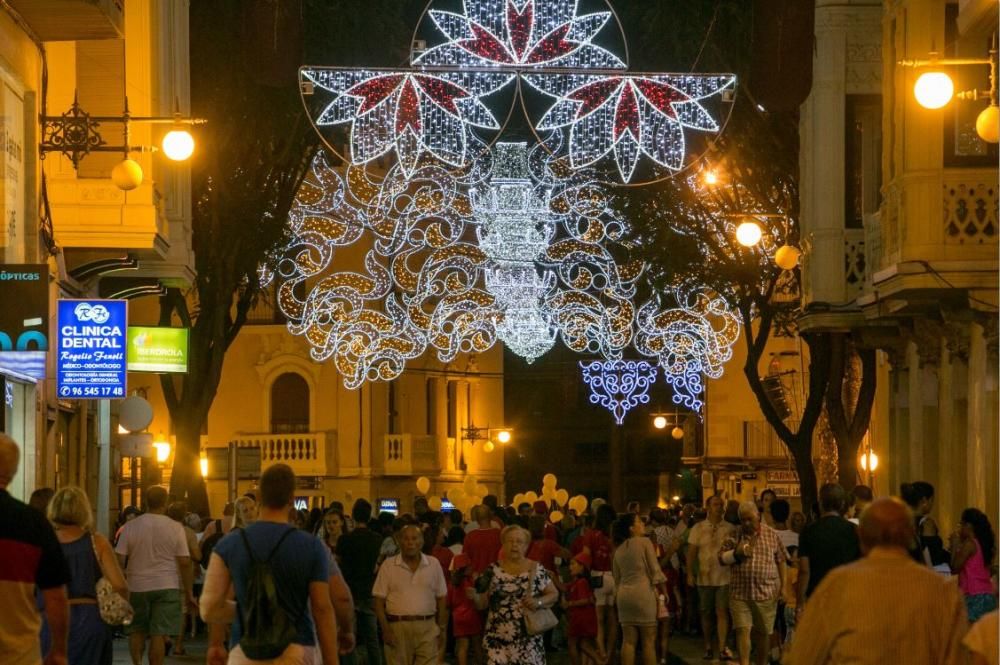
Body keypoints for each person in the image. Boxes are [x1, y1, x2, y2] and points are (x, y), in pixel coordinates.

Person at [787, 498, 968, 665]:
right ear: (910, 535)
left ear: (861, 534)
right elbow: (958, 658)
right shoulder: (942, 591)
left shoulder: (837, 585)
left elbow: (804, 656)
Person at [200, 463, 338, 665]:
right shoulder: (311, 546)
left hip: (245, 650)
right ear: (291, 498)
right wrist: (332, 660)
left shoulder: (229, 544)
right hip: (297, 650)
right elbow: (322, 608)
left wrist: (217, 641)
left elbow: (209, 607)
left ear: (259, 497)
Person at [0, 435, 70, 665]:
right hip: (18, 655)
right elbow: (56, 597)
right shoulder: (33, 523)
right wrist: (59, 650)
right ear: (13, 472)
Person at [48, 486, 128, 665]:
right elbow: (120, 585)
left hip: (51, 618)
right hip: (90, 619)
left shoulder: (43, 542)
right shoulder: (97, 542)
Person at [115, 485, 194, 665]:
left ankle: (136, 662)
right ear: (165, 503)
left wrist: (122, 583)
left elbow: (119, 558)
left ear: (145, 502)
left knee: (136, 630)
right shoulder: (175, 528)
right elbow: (184, 562)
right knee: (159, 633)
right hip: (167, 585)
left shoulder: (131, 527)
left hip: (137, 586)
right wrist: (189, 591)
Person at [474, 525, 560, 665]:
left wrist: (538, 602)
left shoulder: (535, 568)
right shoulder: (492, 569)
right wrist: (475, 597)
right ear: (503, 544)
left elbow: (554, 594)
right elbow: (482, 603)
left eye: (519, 542)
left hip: (527, 637)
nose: (514, 545)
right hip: (497, 637)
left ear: (526, 546)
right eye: (510, 541)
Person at [719, 502, 786, 665]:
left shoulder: (771, 534)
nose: (747, 523)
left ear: (758, 516)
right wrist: (736, 553)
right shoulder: (734, 535)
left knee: (763, 633)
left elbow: (781, 560)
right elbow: (720, 558)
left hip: (765, 594)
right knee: (743, 630)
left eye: (750, 519)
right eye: (743, 520)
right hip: (740, 593)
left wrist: (783, 587)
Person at [373, 525, 448, 665]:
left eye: (415, 538)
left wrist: (441, 627)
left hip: (428, 627)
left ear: (422, 541)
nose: (410, 542)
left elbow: (442, 597)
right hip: (397, 628)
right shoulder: (389, 565)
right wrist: (385, 629)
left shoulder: (433, 564)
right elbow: (378, 600)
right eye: (406, 539)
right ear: (399, 541)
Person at [685, 494, 736, 662]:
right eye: (715, 504)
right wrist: (690, 573)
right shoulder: (698, 528)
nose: (719, 508)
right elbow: (691, 553)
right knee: (706, 612)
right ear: (708, 507)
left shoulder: (730, 528)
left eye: (721, 505)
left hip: (724, 577)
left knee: (722, 611)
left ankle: (722, 648)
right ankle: (707, 645)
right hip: (705, 577)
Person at [612, 513, 666, 665]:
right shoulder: (644, 542)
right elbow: (655, 570)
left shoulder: (619, 550)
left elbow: (617, 577)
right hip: (643, 593)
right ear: (631, 528)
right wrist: (664, 590)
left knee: (628, 641)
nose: (642, 523)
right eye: (638, 522)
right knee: (648, 642)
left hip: (624, 596)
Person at [796, 483, 859, 610]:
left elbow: (804, 570)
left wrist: (800, 603)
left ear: (821, 504)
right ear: (842, 504)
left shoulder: (808, 531)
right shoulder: (854, 530)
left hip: (817, 596)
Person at [337, 498, 385, 665]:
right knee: (372, 640)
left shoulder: (344, 540)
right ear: (369, 517)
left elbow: (340, 566)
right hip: (369, 592)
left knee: (351, 639)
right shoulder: (377, 539)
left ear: (354, 517)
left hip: (350, 593)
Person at [581, 503, 618, 663]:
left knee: (599, 620)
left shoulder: (591, 534)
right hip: (615, 577)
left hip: (598, 578)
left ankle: (601, 653)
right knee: (612, 617)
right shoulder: (615, 535)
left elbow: (585, 557)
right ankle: (610, 653)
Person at [949, 507, 998, 623]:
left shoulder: (970, 544)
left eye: (961, 524)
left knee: (968, 638)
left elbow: (954, 568)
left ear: (969, 526)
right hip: (987, 595)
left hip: (973, 596)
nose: (960, 528)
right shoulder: (984, 543)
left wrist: (954, 546)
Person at [166, 501, 202, 657]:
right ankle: (178, 645)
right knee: (182, 610)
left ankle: (165, 637)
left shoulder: (162, 531)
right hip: (182, 575)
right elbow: (197, 555)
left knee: (164, 609)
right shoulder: (188, 533)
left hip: (164, 574)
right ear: (184, 516)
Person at [563, 553, 605, 665]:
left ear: (582, 567)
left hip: (580, 618)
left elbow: (586, 600)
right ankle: (599, 661)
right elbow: (563, 587)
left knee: (572, 643)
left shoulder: (581, 582)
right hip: (582, 617)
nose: (570, 567)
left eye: (573, 564)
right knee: (583, 644)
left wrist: (570, 603)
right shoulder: (575, 582)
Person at [900, 481, 949, 571]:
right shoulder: (927, 524)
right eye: (932, 500)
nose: (932, 504)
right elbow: (934, 555)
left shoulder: (901, 522)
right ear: (924, 501)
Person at [448, 554, 484, 665]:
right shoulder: (471, 581)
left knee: (462, 647)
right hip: (471, 615)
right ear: (466, 567)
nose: (472, 567)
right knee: (477, 644)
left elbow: (448, 602)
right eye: (470, 565)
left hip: (458, 617)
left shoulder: (452, 583)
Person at [464, 505, 503, 574]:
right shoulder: (500, 535)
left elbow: (465, 559)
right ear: (490, 517)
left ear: (477, 519)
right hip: (496, 574)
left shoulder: (470, 536)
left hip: (476, 577)